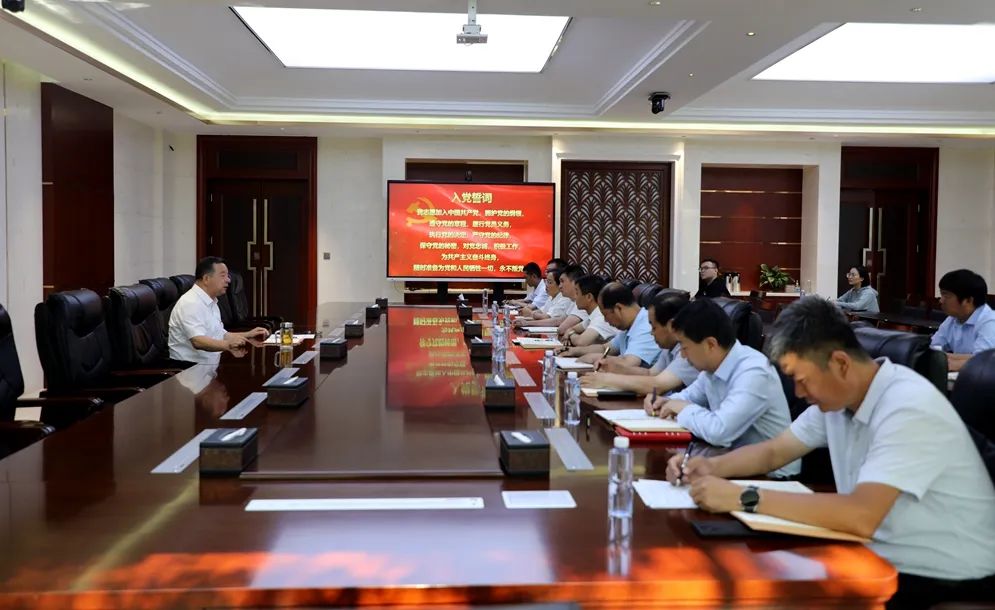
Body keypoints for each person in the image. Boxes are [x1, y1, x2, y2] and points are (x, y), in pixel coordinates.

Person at [670, 297, 995, 610]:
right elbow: (774, 452)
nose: (799, 393)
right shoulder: (839, 401)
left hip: (942, 574)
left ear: (840, 363)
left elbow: (860, 515)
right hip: (876, 553)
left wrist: (743, 497)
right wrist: (708, 467)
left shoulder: (908, 406)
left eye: (801, 379)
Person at [645, 299, 798, 476]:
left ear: (710, 344)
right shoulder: (711, 369)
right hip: (732, 461)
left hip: (772, 477)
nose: (683, 356)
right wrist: (663, 402)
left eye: (685, 347)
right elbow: (687, 397)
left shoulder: (753, 371)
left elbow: (720, 431)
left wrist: (683, 408)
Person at [581, 292, 698, 394]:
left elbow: (658, 385)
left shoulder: (689, 350)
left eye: (654, 327)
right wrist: (616, 368)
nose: (651, 333)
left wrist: (607, 380)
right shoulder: (670, 346)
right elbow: (650, 374)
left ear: (671, 326)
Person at [168, 256, 270, 364]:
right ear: (206, 279)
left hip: (212, 363)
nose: (228, 280)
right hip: (191, 368)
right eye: (223, 276)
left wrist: (248, 334)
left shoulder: (211, 301)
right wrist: (228, 345)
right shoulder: (190, 303)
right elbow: (198, 341)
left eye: (227, 275)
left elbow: (221, 334)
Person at [558, 282, 660, 369]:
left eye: (605, 315)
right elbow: (605, 348)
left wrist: (595, 357)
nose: (606, 321)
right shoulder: (630, 324)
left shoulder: (646, 325)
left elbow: (628, 363)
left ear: (618, 308)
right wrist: (573, 351)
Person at [930, 269, 995, 372]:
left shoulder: (990, 322)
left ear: (968, 300)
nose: (941, 300)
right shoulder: (952, 319)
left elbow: (983, 361)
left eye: (946, 296)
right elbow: (932, 349)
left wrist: (945, 359)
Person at [561, 274, 619, 347]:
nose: (575, 297)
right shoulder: (594, 314)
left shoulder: (601, 316)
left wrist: (570, 334)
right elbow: (571, 329)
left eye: (577, 293)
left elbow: (580, 342)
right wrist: (570, 333)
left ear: (589, 297)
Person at [555, 264, 590, 335]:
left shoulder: (583, 302)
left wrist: (569, 333)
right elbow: (561, 320)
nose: (559, 286)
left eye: (562, 281)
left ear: (574, 282)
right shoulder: (572, 301)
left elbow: (562, 329)